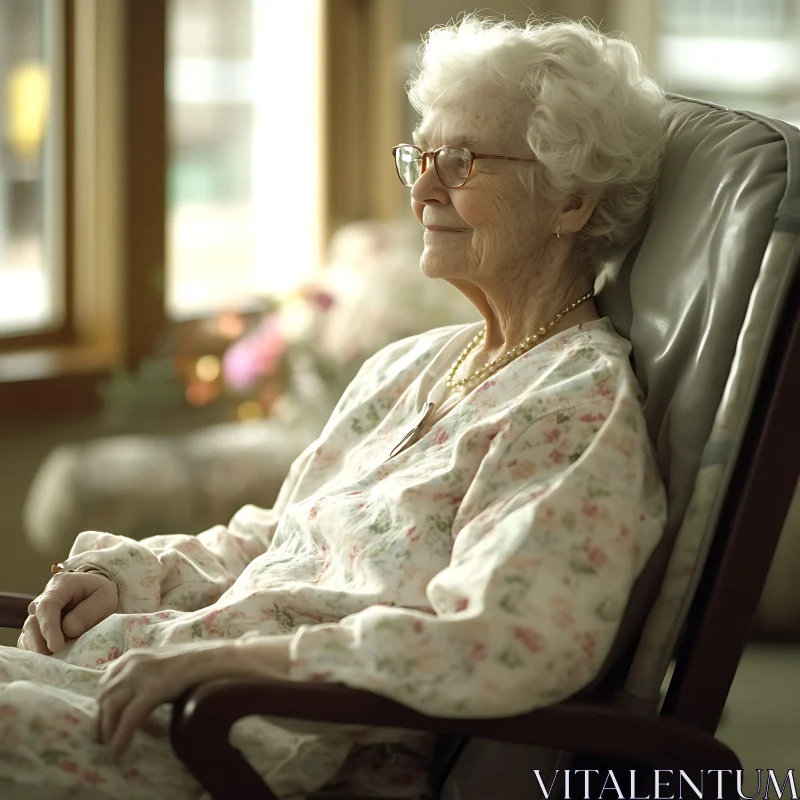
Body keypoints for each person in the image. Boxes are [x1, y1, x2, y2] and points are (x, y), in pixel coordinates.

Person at [0, 14, 668, 799]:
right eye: (420, 156)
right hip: (158, 677)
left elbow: (506, 643)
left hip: (251, 737)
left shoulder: (574, 405)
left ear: (574, 201)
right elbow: (283, 537)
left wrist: (226, 662)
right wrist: (134, 572)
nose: (422, 188)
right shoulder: (413, 363)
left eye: (460, 161)